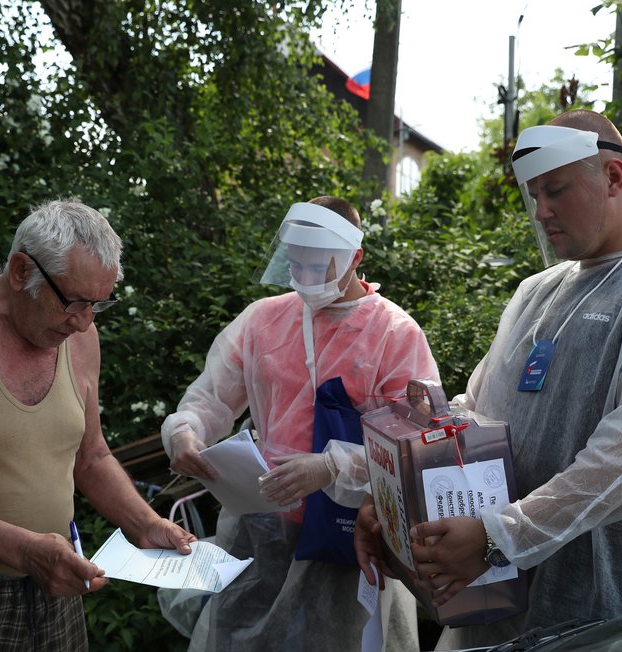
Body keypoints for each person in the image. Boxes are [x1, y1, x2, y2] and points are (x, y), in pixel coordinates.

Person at [355, 109, 622, 649]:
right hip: (498, 614)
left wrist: (497, 536)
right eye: (534, 195)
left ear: (613, 178)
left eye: (556, 190)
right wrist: (396, 504)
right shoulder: (536, 294)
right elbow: (469, 418)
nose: (541, 211)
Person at [0, 199, 197, 650]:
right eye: (75, 302)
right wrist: (23, 549)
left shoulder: (78, 336)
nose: (85, 323)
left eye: (97, 306)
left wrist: (144, 523)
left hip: (54, 586)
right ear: (21, 270)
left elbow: (92, 455)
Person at [161, 196, 440, 651]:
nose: (307, 280)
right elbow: (211, 396)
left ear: (356, 258)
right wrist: (185, 431)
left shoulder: (395, 334)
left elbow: (417, 445)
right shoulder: (264, 320)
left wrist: (332, 468)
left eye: (320, 267)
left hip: (348, 537)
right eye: (297, 265)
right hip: (258, 529)